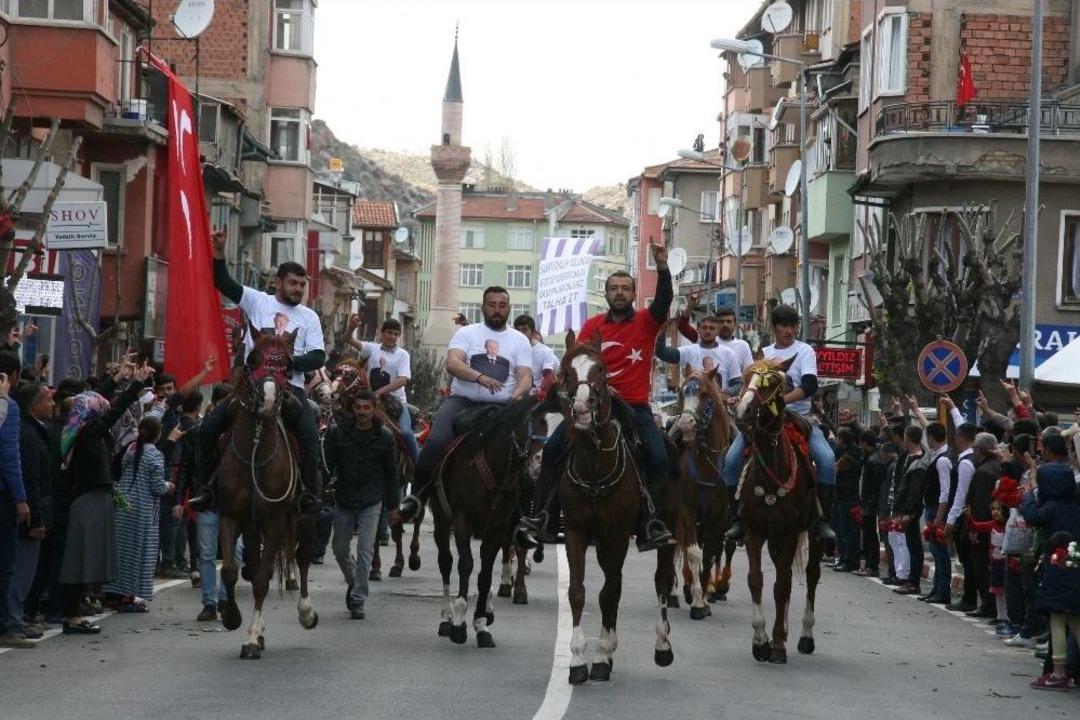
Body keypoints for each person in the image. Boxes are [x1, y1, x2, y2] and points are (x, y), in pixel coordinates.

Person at [523, 240, 675, 552]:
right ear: (606, 294)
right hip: (591, 407)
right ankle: (545, 517)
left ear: (633, 294)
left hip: (634, 407)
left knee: (659, 457)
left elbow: (663, 301)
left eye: (625, 288)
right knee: (551, 452)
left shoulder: (646, 322)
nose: (619, 293)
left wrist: (662, 267)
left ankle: (650, 522)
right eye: (613, 288)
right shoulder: (592, 326)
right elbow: (578, 362)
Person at [190, 229, 325, 515]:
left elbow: (318, 356)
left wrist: (292, 364)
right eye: (293, 283)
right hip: (249, 387)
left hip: (290, 389)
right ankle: (205, 489)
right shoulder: (257, 300)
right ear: (278, 282)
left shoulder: (309, 317)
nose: (298, 289)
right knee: (208, 428)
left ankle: (308, 495)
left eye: (302, 284)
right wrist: (219, 253)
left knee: (310, 436)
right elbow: (223, 282)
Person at [398, 286, 533, 523]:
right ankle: (416, 499)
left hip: (504, 409)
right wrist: (479, 377)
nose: (497, 310)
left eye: (502, 305)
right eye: (492, 305)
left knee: (525, 454)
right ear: (483, 307)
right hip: (463, 403)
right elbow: (453, 363)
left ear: (509, 309)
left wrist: (517, 395)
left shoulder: (519, 340)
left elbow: (525, 377)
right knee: (435, 442)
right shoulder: (467, 333)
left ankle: (522, 520)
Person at [724, 305, 836, 541]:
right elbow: (750, 386)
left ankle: (822, 519)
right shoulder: (763, 354)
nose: (789, 331)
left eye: (793, 326)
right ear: (774, 327)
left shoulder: (804, 351)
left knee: (827, 460)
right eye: (784, 326)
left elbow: (809, 385)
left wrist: (779, 401)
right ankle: (736, 518)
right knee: (731, 460)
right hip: (763, 420)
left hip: (799, 417)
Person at [58, 363, 153, 635]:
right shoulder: (89, 432)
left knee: (81, 560)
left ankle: (74, 611)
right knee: (79, 561)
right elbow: (113, 411)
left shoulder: (79, 429)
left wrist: (118, 378)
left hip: (89, 498)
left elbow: (95, 398)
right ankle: (72, 614)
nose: (101, 406)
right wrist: (135, 384)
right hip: (88, 500)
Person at [325, 391, 399, 620]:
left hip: (371, 501)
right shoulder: (338, 434)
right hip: (344, 499)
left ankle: (358, 599)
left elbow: (392, 475)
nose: (362, 412)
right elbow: (327, 466)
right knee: (339, 549)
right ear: (352, 409)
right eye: (358, 408)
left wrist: (393, 506)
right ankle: (353, 581)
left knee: (365, 552)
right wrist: (322, 491)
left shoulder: (385, 437)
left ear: (374, 408)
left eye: (367, 408)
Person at [1020, 432, 1080, 690]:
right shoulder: (1075, 506)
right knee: (1074, 618)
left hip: (1057, 569)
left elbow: (1031, 515)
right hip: (1074, 565)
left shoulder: (1051, 508)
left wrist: (1029, 492)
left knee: (1057, 616)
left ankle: (1058, 671)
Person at [102, 416, 174, 612]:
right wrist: (169, 485)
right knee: (137, 554)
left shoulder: (130, 449)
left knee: (120, 552)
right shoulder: (155, 455)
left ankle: (112, 595)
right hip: (142, 509)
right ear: (158, 435)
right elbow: (157, 487)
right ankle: (127, 598)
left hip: (123, 505)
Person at [8, 383, 54, 642]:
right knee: (21, 571)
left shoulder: (33, 430)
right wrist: (36, 517)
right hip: (29, 514)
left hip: (35, 508)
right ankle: (13, 622)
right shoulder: (28, 434)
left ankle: (17, 619)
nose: (52, 404)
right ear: (35, 405)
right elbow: (31, 478)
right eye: (47, 400)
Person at [344, 316, 419, 465]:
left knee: (405, 433)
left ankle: (419, 466)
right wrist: (351, 326)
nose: (392, 337)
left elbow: (402, 380)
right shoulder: (371, 348)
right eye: (389, 332)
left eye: (396, 334)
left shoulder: (403, 354)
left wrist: (379, 392)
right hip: (369, 401)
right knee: (343, 429)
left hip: (396, 402)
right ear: (382, 333)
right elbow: (348, 339)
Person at [0, 359, 32, 648]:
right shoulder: (8, 407)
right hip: (3, 496)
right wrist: (21, 498)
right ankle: (7, 626)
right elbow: (10, 457)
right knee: (6, 563)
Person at [655, 314, 740, 392]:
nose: (707, 331)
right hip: (693, 402)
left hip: (719, 401)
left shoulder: (728, 354)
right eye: (704, 327)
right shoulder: (689, 351)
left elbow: (737, 383)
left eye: (712, 328)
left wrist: (727, 394)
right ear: (698, 329)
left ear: (718, 331)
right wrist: (662, 332)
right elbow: (663, 353)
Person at [891, 425, 926, 595]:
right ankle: (909, 580)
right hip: (903, 506)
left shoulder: (919, 460)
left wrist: (908, 513)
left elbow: (915, 491)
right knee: (910, 544)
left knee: (914, 546)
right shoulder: (907, 456)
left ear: (909, 438)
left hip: (911, 510)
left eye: (905, 436)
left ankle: (913, 582)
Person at [676, 301, 753, 374]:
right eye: (721, 321)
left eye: (729, 321)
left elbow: (749, 373)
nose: (725, 325)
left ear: (735, 324)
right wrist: (689, 308)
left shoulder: (743, 346)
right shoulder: (706, 339)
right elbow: (683, 327)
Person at [831, 426, 862, 573]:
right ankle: (843, 558)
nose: (836, 440)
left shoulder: (849, 456)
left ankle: (850, 561)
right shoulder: (847, 451)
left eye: (838, 438)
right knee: (841, 529)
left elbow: (834, 469)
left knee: (848, 531)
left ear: (842, 440)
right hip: (842, 496)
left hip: (848, 497)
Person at [856, 430, 887, 578]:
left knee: (870, 535)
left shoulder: (874, 461)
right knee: (869, 535)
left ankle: (872, 565)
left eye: (861, 443)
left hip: (871, 505)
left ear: (864, 442)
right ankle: (869, 564)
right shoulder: (871, 457)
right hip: (869, 503)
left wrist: (868, 505)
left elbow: (874, 487)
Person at [513, 314, 559, 395]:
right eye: (518, 331)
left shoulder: (545, 351)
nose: (521, 334)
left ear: (533, 332)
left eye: (524, 330)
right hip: (512, 395)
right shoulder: (509, 349)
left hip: (536, 397)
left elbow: (548, 373)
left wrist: (544, 387)